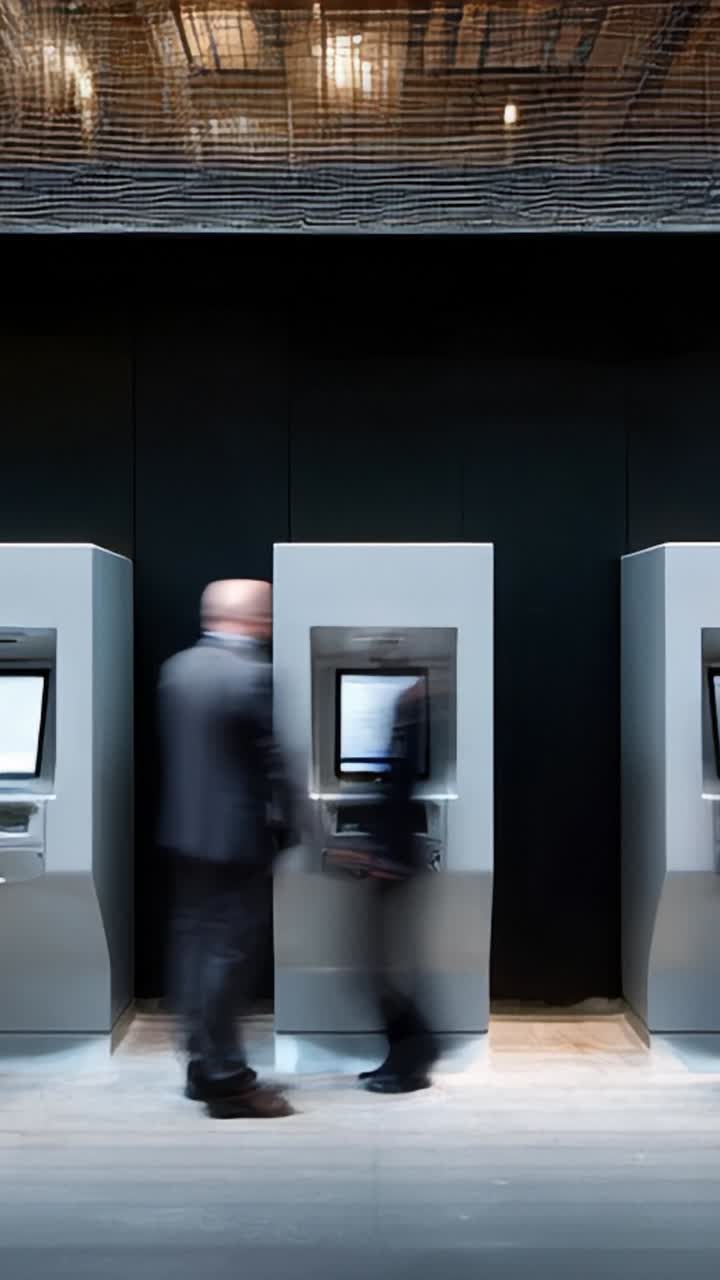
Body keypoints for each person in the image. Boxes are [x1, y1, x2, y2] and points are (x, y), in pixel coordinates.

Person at [157, 579, 294, 1119]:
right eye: (266, 615)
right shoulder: (252, 675)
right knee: (228, 957)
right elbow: (271, 763)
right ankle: (227, 1081)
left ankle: (199, 1062)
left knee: (192, 949)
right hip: (237, 842)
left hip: (185, 835)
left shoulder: (177, 670)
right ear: (254, 619)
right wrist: (300, 828)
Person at [359, 678, 440, 1094]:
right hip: (389, 858)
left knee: (381, 968)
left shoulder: (407, 729)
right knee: (378, 968)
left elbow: (400, 793)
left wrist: (384, 856)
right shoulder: (403, 728)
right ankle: (403, 1055)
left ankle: (414, 1055)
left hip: (392, 861)